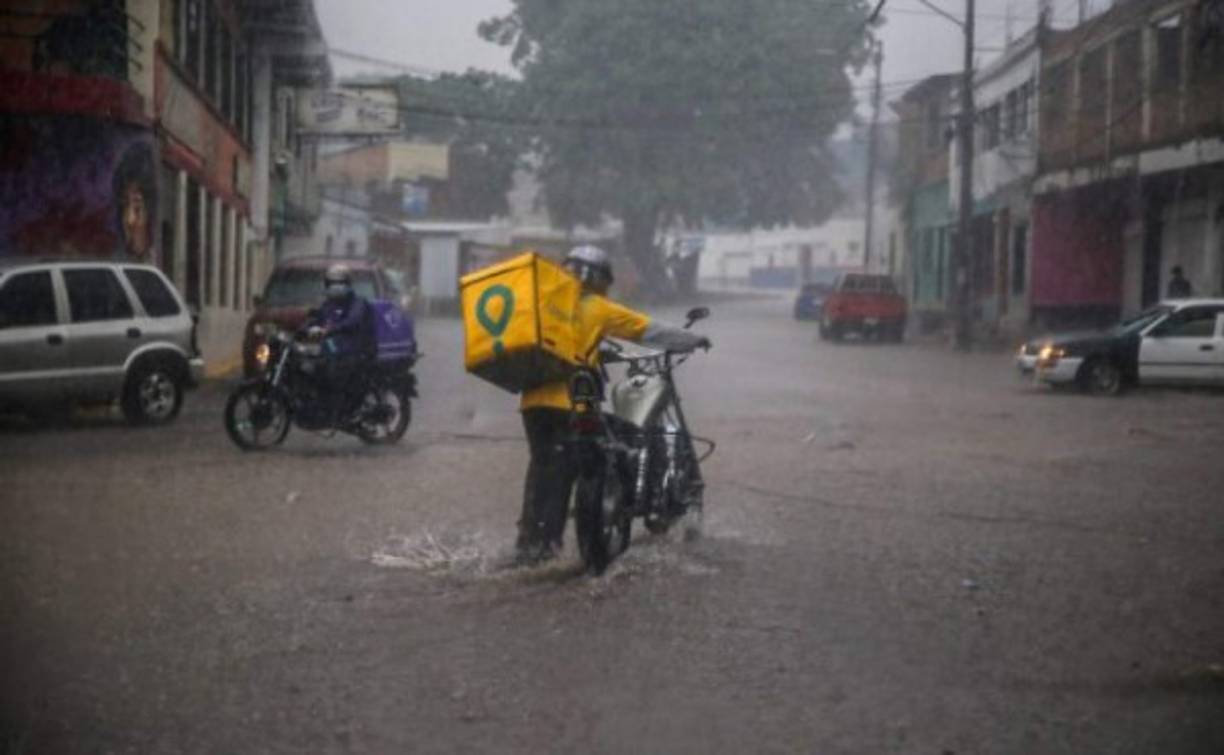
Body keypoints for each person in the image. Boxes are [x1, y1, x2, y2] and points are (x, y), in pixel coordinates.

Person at [515, 245, 710, 565]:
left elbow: (559, 343)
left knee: (545, 469)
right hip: (574, 404)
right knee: (620, 437)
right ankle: (621, 504)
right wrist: (694, 340)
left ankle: (532, 545)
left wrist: (600, 352)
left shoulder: (546, 306)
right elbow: (649, 330)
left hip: (533, 404)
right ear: (600, 279)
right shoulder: (598, 308)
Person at [306, 264, 375, 421]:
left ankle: (339, 409)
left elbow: (353, 321)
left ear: (348, 284)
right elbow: (317, 318)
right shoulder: (328, 304)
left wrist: (330, 329)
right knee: (312, 365)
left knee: (332, 369)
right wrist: (309, 327)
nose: (336, 286)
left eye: (340, 283)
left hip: (356, 350)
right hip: (336, 348)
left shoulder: (358, 303)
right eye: (332, 283)